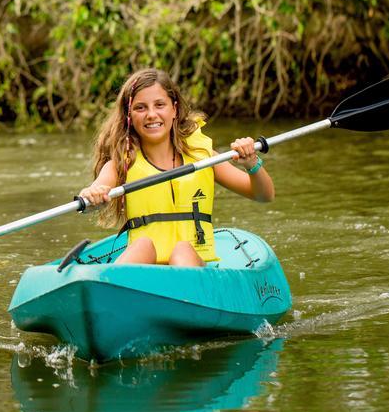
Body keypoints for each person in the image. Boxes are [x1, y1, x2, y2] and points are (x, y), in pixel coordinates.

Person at [78, 68, 274, 266]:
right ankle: (117, 289)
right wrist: (93, 195)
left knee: (182, 250)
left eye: (160, 105)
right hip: (145, 271)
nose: (151, 114)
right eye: (140, 108)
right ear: (129, 117)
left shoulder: (203, 157)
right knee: (142, 245)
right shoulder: (121, 164)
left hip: (194, 266)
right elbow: (98, 189)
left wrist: (251, 164)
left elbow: (264, 195)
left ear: (174, 109)